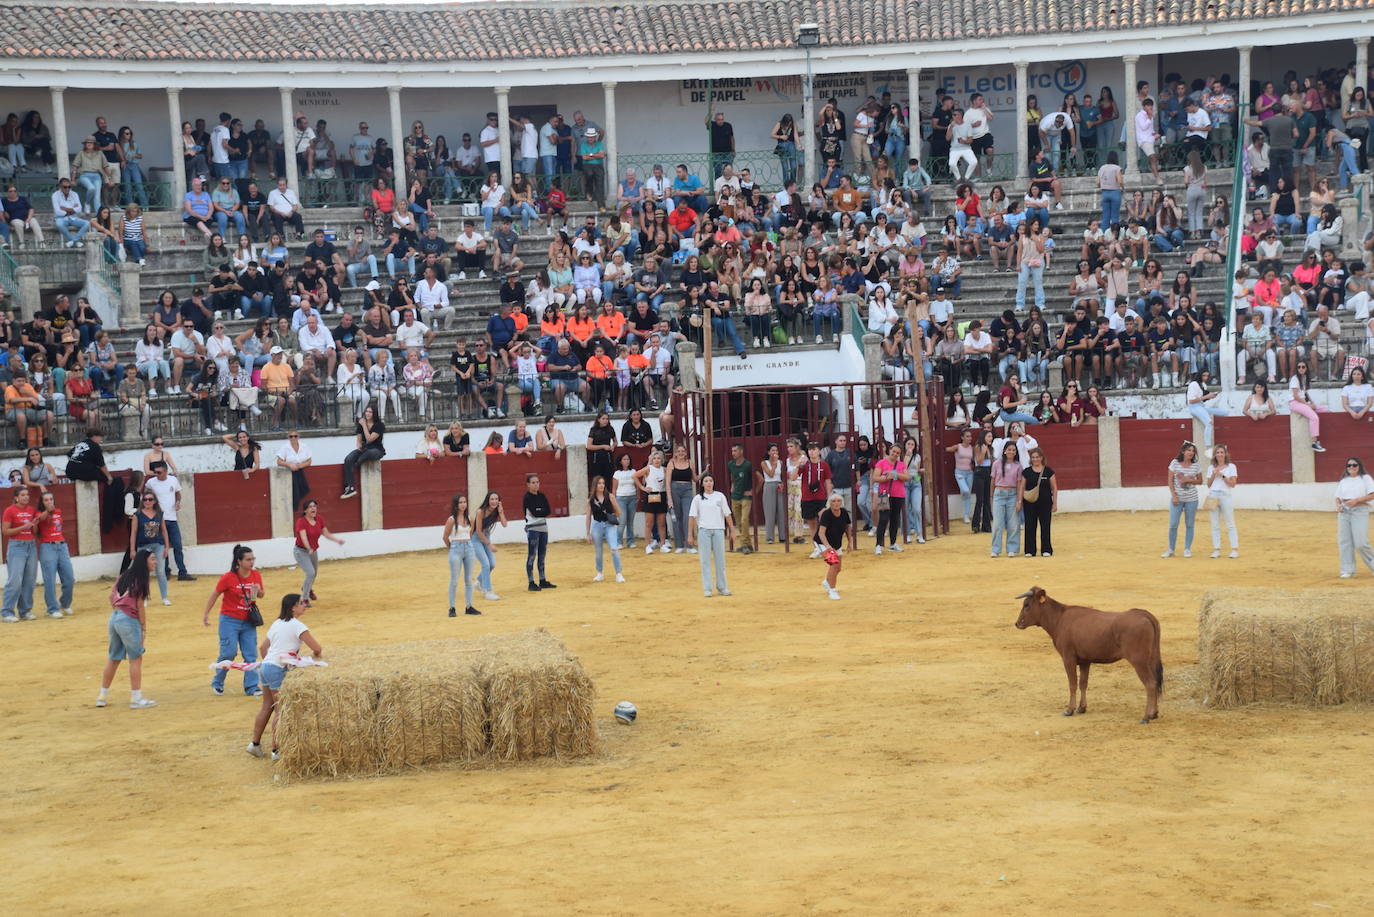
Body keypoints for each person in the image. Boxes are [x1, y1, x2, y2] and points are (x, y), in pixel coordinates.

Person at [246, 593, 323, 760]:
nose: (304, 606)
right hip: (276, 669)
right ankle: (276, 750)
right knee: (281, 710)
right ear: (293, 607)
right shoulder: (297, 626)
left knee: (267, 706)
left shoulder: (277, 623)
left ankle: (255, 744)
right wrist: (315, 655)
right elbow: (316, 647)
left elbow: (262, 648)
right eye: (301, 603)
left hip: (266, 666)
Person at [96, 550, 159, 709]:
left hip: (114, 618)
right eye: (152, 559)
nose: (155, 562)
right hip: (129, 620)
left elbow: (111, 597)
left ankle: (102, 696)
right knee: (136, 658)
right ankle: (136, 698)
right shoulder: (142, 580)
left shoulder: (123, 576)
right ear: (144, 561)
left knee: (114, 658)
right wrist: (143, 627)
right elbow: (139, 606)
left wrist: (118, 612)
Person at [204, 544, 265, 697]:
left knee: (250, 654)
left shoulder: (256, 575)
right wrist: (206, 613)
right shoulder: (228, 577)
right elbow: (215, 594)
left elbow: (261, 595)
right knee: (228, 653)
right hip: (229, 620)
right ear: (239, 561)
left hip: (248, 620)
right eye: (248, 559)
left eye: (253, 559)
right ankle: (217, 682)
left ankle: (252, 687)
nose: (252, 562)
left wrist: (257, 590)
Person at [145, 461, 195, 582]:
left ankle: (182, 572)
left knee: (177, 546)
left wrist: (178, 502)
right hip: (157, 520)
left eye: (159, 472)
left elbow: (178, 494)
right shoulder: (151, 482)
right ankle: (165, 572)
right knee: (161, 547)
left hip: (172, 518)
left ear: (166, 471)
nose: (156, 474)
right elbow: (146, 498)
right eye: (155, 472)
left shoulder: (173, 480)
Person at [688, 473, 734, 598]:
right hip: (704, 531)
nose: (709, 483)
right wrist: (690, 535)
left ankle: (722, 586)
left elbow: (727, 514)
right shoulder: (697, 498)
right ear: (702, 484)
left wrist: (732, 530)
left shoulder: (720, 496)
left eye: (711, 481)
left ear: (713, 483)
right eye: (706, 481)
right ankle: (707, 588)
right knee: (705, 560)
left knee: (720, 560)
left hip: (718, 530)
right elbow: (692, 517)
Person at [0, 486, 40, 622]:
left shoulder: (31, 510)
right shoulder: (9, 510)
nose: (26, 497)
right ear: (16, 497)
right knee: (15, 580)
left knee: (29, 580)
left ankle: (25, 611)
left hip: (31, 546)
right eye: (23, 495)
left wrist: (34, 525)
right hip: (17, 546)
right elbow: (5, 532)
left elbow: (35, 532)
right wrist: (24, 526)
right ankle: (7, 612)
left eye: (27, 495)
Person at [294, 499, 344, 603]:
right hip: (301, 551)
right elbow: (303, 537)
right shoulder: (301, 521)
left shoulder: (319, 519)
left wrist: (337, 540)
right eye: (310, 507)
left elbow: (326, 533)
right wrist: (309, 548)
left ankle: (307, 589)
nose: (313, 508)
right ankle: (304, 598)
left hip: (313, 550)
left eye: (314, 506)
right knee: (311, 573)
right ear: (305, 511)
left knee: (314, 573)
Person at [35, 491, 74, 619]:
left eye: (51, 499)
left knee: (69, 578)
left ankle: (65, 604)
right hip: (48, 546)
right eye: (46, 500)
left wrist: (52, 511)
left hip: (62, 545)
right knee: (50, 580)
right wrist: (48, 511)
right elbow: (41, 519)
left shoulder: (58, 512)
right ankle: (52, 608)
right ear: (42, 502)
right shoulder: (39, 513)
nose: (49, 502)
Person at [129, 487, 170, 606]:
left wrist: (167, 547)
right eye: (145, 499)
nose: (147, 502)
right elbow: (133, 533)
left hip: (158, 545)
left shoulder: (159, 514)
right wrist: (132, 549)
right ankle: (145, 597)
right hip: (143, 546)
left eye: (150, 499)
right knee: (144, 573)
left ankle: (164, 597)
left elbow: (164, 531)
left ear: (154, 501)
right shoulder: (137, 515)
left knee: (160, 571)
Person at [443, 493, 482, 617]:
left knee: (468, 580)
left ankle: (469, 606)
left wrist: (466, 544)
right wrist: (452, 549)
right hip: (456, 548)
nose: (463, 504)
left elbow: (470, 534)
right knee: (454, 580)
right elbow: (445, 537)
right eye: (460, 502)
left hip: (469, 548)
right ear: (456, 504)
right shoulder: (451, 520)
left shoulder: (470, 518)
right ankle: (452, 608)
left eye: (464, 502)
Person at [1335, 457, 1374, 577]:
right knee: (1344, 542)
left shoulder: (1365, 478)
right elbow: (1337, 496)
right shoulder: (1344, 480)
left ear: (1359, 466)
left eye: (1354, 465)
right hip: (1344, 511)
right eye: (1349, 465)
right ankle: (1347, 570)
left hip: (1360, 510)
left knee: (1361, 542)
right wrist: (1338, 506)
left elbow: (1372, 494)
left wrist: (1356, 500)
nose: (1351, 467)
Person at [1163, 441, 1202, 558]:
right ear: (1183, 451)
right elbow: (1170, 481)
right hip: (1177, 499)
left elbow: (1200, 481)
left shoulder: (1196, 465)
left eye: (1193, 451)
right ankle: (1171, 549)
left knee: (1189, 524)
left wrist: (1188, 480)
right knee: (1173, 524)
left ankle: (1187, 549)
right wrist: (1174, 496)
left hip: (1192, 499)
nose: (1191, 452)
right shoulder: (1174, 463)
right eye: (1189, 450)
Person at [1018, 446, 1057, 557]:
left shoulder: (1049, 471)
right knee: (1030, 526)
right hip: (1029, 503)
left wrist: (1055, 503)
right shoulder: (1026, 472)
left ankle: (1046, 549)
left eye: (1037, 457)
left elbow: (1054, 488)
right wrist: (1019, 502)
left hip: (1045, 503)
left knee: (1045, 526)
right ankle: (1030, 550)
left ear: (1041, 458)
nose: (1035, 459)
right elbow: (1022, 487)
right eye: (1033, 457)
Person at [871, 443, 909, 555]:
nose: (895, 454)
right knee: (883, 519)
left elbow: (907, 477)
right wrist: (886, 477)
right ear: (890, 450)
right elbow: (875, 478)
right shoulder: (881, 463)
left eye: (898, 453)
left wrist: (895, 474)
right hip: (884, 494)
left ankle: (893, 543)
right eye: (894, 452)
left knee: (895, 519)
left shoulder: (901, 465)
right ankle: (879, 544)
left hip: (898, 494)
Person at [586, 475, 625, 584]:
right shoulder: (591, 500)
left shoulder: (610, 496)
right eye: (599, 483)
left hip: (609, 525)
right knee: (598, 551)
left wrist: (611, 515)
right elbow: (588, 517)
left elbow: (619, 512)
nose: (602, 485)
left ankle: (619, 573)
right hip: (597, 525)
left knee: (614, 548)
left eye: (603, 483)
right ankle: (599, 573)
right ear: (595, 485)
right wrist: (587, 533)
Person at [341, 404, 384, 499]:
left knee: (368, 454)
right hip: (364, 449)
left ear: (374, 413)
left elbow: (369, 439)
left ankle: (357, 464)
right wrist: (359, 446)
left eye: (370, 412)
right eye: (366, 411)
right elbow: (359, 440)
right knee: (348, 458)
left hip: (376, 450)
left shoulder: (379, 425)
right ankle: (350, 487)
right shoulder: (361, 425)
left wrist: (364, 424)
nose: (367, 414)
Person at [1206, 443, 1240, 559]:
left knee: (1230, 523)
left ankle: (1234, 549)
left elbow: (1233, 484)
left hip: (1225, 495)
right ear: (1215, 455)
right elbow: (1208, 485)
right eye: (1218, 453)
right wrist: (1214, 475)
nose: (1220, 454)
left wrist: (1223, 476)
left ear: (1225, 454)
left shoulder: (1231, 467)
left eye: (1222, 452)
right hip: (1213, 495)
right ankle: (1216, 550)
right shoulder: (1211, 467)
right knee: (1214, 524)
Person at [524, 474, 557, 591]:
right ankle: (531, 582)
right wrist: (540, 510)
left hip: (543, 528)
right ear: (528, 484)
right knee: (532, 555)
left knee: (542, 554)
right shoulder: (527, 497)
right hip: (532, 529)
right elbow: (535, 512)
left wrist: (540, 510)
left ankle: (542, 580)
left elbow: (548, 510)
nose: (536, 484)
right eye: (533, 482)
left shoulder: (542, 495)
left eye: (537, 482)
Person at [989, 441, 1022, 558]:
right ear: (1004, 451)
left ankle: (1012, 549)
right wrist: (991, 497)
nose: (1011, 452)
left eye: (1013, 450)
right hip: (999, 494)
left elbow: (1019, 484)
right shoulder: (997, 463)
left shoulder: (1018, 465)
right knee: (997, 524)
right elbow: (992, 481)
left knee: (1013, 524)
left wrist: (1019, 500)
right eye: (1009, 449)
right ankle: (995, 549)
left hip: (1012, 495)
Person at [815, 491, 850, 601]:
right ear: (830, 503)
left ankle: (827, 581)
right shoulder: (826, 514)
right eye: (833, 501)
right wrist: (828, 546)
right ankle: (832, 590)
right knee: (834, 565)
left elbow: (847, 528)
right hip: (823, 543)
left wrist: (850, 542)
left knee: (838, 568)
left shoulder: (844, 512)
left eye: (839, 500)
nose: (836, 503)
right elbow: (821, 533)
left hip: (837, 543)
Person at [636, 449, 670, 553]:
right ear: (652, 459)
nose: (657, 460)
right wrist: (643, 487)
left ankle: (663, 544)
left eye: (659, 458)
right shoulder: (648, 468)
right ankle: (647, 545)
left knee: (662, 522)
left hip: (661, 495)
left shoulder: (664, 470)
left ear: (662, 459)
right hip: (651, 495)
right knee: (649, 522)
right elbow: (635, 476)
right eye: (654, 458)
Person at [473, 492, 504, 602]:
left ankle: (478, 583)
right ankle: (488, 591)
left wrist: (501, 512)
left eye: (496, 499)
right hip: (476, 539)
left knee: (492, 564)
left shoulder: (496, 511)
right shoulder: (480, 512)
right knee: (486, 564)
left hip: (486, 537)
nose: (494, 501)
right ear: (488, 500)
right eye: (492, 499)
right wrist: (489, 545)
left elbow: (505, 524)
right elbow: (478, 532)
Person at [725, 443, 755, 554]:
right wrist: (733, 485)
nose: (733, 453)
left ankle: (744, 545)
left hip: (746, 496)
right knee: (739, 522)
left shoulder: (748, 465)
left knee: (744, 520)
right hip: (735, 496)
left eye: (735, 451)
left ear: (741, 451)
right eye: (732, 451)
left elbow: (759, 478)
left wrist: (753, 491)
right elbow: (733, 476)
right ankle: (748, 544)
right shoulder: (731, 464)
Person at [666, 444, 696, 554]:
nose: (681, 453)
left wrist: (704, 472)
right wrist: (669, 498)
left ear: (686, 452)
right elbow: (667, 482)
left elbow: (695, 479)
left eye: (683, 451)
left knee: (688, 516)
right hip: (674, 490)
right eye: (679, 451)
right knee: (677, 517)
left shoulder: (690, 463)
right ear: (675, 453)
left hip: (687, 490)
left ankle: (689, 545)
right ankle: (679, 545)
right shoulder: (671, 463)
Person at [1186, 370, 1228, 447]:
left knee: (1225, 413)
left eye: (1207, 376)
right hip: (1194, 407)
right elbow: (1191, 401)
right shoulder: (1193, 384)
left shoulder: (1203, 385)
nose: (1206, 377)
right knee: (1208, 423)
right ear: (1199, 375)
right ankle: (1207, 445)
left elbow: (1203, 399)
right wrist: (1206, 397)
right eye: (1204, 375)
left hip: (1201, 406)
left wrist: (1210, 397)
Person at [612, 452, 640, 551]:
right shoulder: (617, 473)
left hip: (632, 497)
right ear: (620, 461)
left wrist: (638, 496)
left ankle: (630, 541)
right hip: (621, 498)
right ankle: (618, 542)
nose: (626, 461)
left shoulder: (633, 471)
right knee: (622, 521)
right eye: (624, 459)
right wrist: (614, 501)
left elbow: (637, 485)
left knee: (630, 521)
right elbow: (614, 489)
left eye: (628, 459)